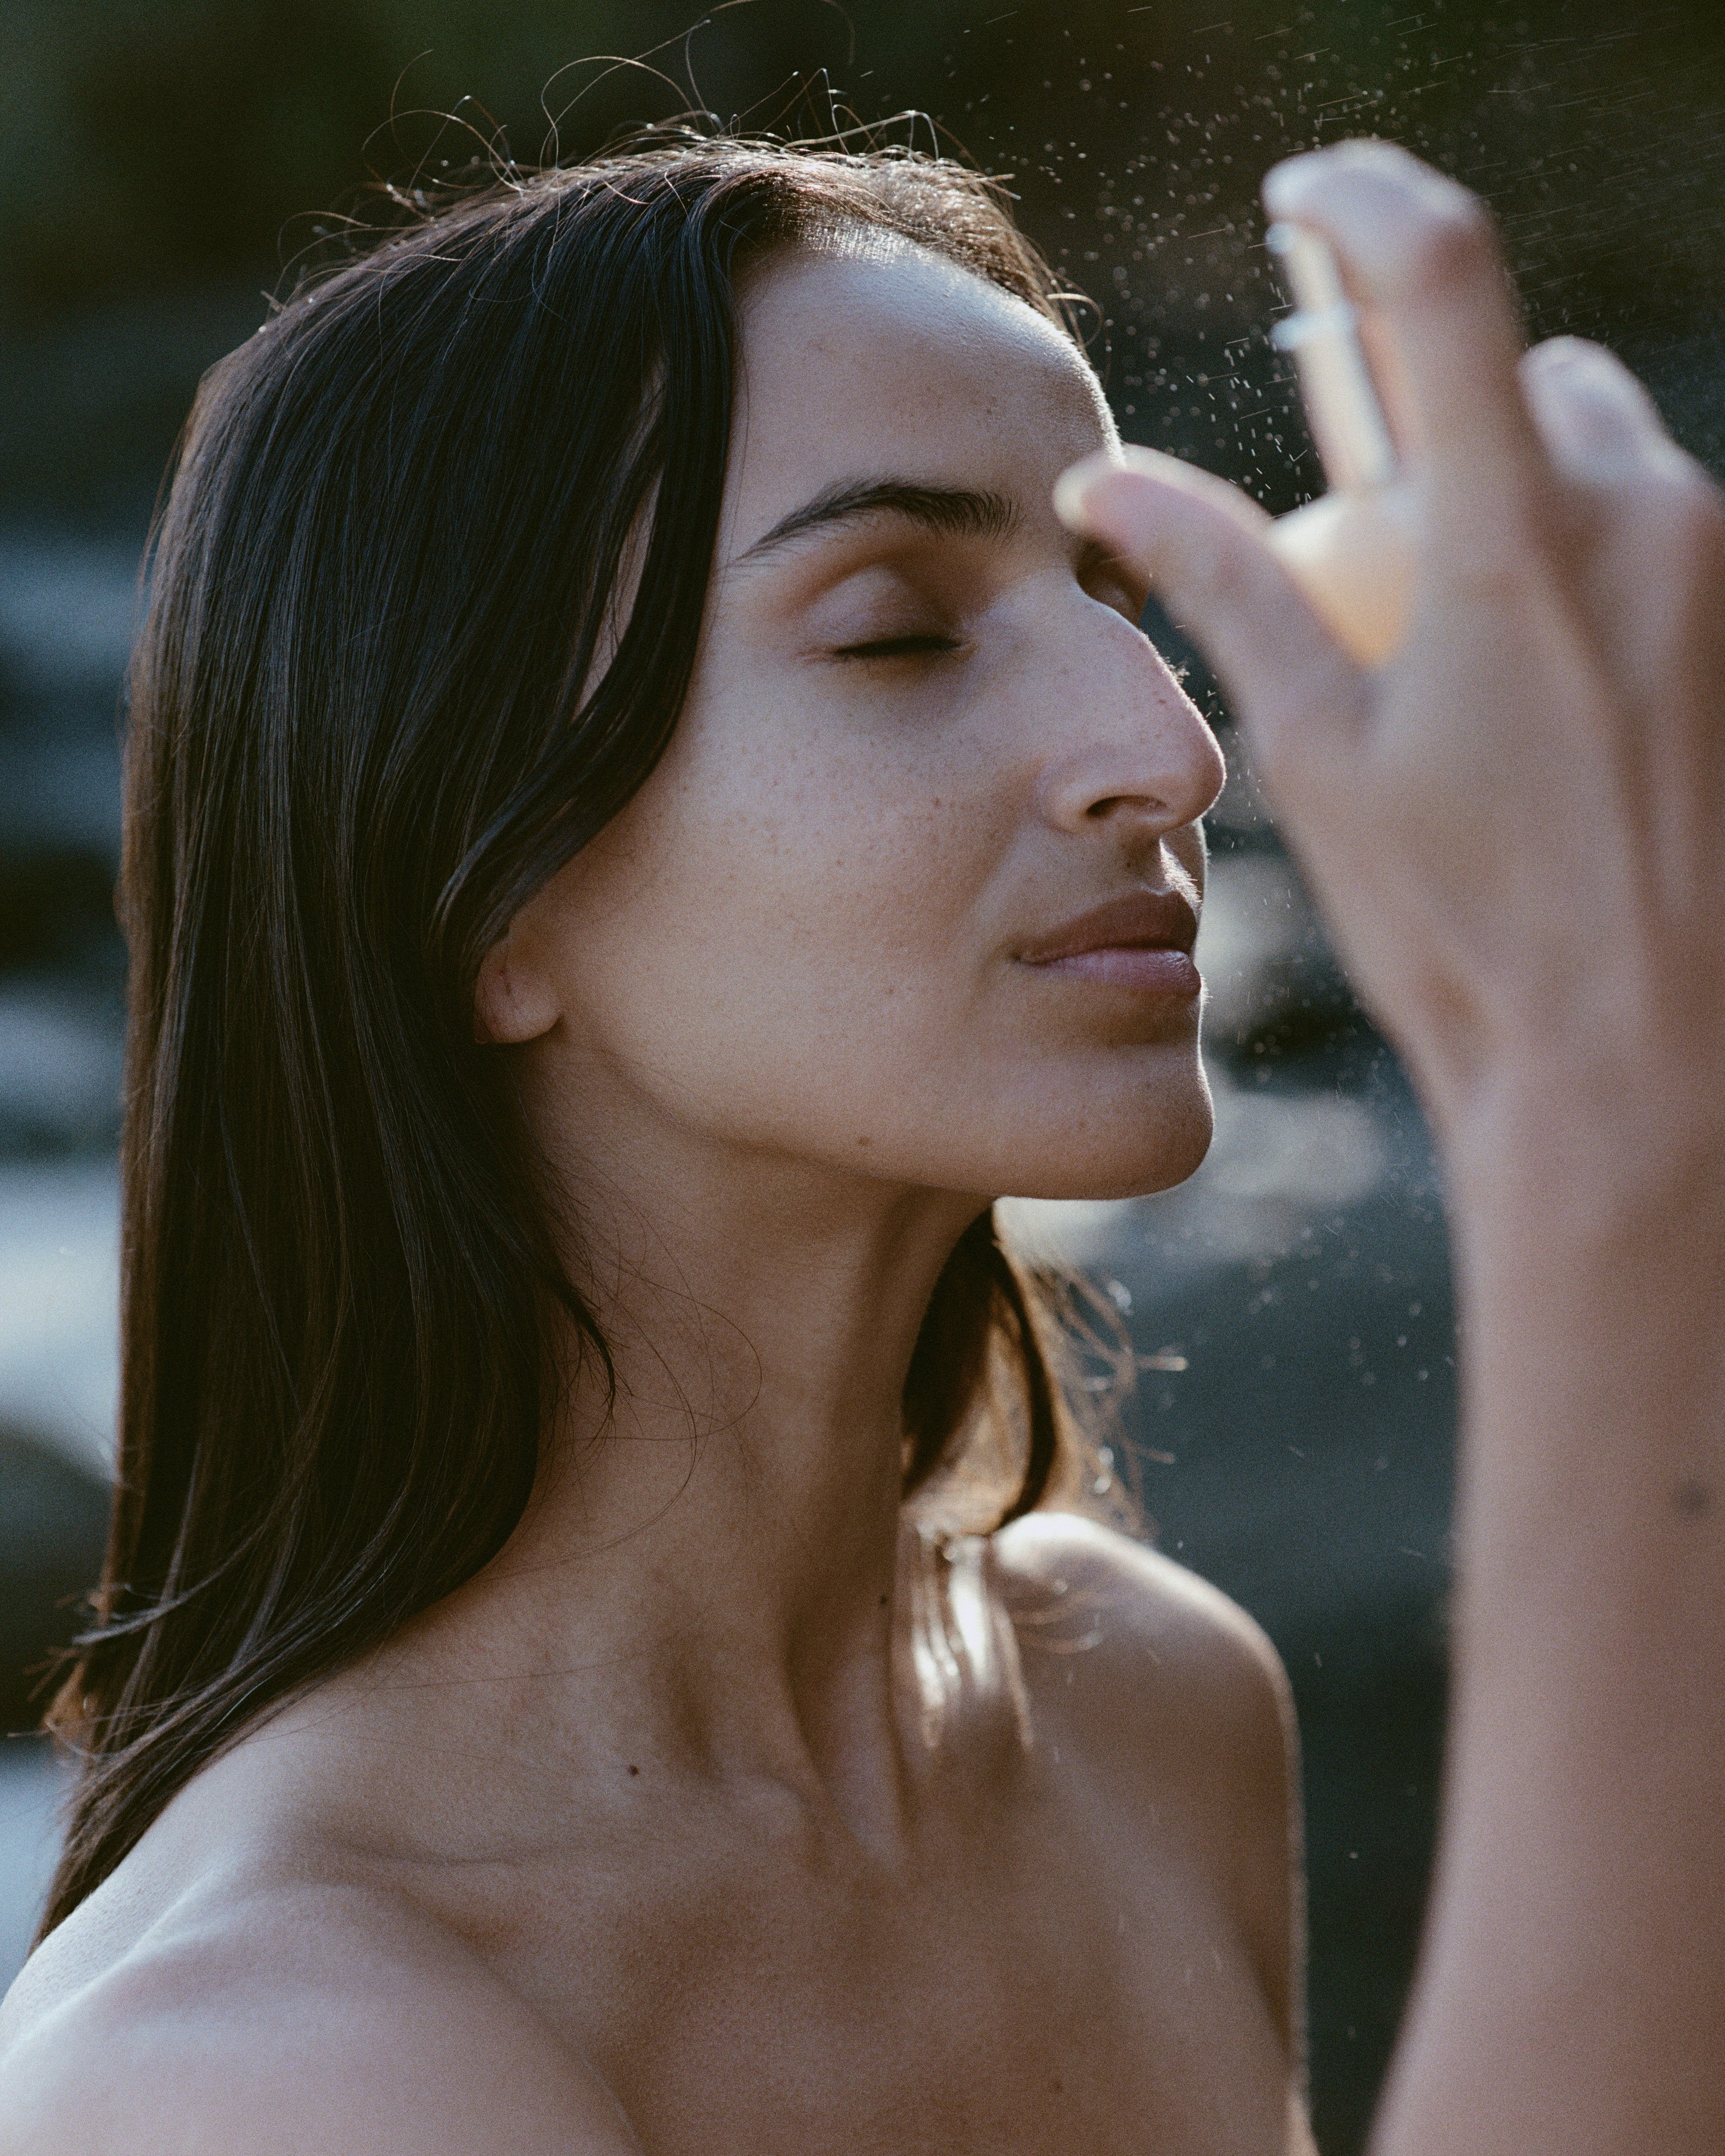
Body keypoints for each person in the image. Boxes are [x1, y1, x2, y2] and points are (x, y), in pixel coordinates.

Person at [0, 118, 1719, 2152]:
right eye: (897, 627)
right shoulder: (275, 2074)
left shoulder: (1145, 1710)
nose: (1166, 750)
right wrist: (1609, 1135)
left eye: (1108, 586)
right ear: (477, 892)